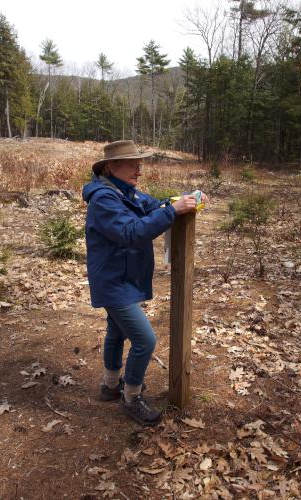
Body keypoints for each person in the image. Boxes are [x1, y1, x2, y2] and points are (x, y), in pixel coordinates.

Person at [82, 140, 207, 426]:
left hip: (123, 278)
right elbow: (130, 232)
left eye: (140, 164)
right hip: (113, 282)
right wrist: (172, 212)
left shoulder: (126, 192)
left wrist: (184, 200)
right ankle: (131, 398)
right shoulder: (104, 199)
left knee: (116, 332)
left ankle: (111, 385)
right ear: (112, 166)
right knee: (144, 339)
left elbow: (155, 205)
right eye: (133, 164)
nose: (139, 170)